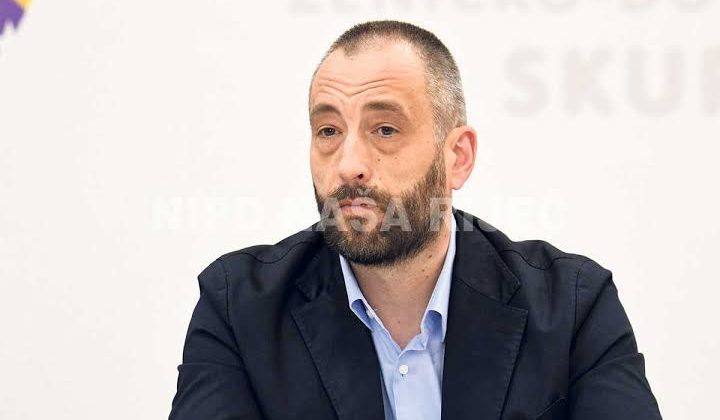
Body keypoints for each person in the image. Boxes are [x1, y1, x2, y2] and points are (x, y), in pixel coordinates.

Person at [169, 20, 663, 420]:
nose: (348, 165)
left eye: (385, 129)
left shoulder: (573, 308)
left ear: (458, 157)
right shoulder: (239, 308)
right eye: (328, 130)